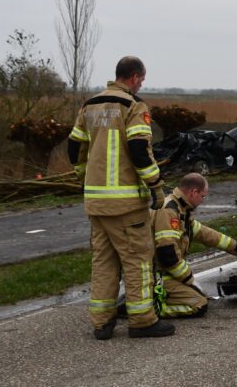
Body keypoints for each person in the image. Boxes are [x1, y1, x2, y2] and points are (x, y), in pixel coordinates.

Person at [67, 56, 174, 340]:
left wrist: (85, 178)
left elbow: (74, 147)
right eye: (142, 79)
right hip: (126, 204)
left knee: (103, 261)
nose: (141, 84)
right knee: (137, 259)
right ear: (136, 77)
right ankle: (142, 321)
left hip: (96, 202)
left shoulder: (89, 105)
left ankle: (102, 322)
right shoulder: (133, 106)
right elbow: (140, 150)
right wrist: (156, 185)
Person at [151, 173, 237, 317]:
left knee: (199, 296)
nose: (202, 201)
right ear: (193, 192)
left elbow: (208, 235)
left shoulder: (181, 210)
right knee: (199, 304)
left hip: (166, 273)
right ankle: (152, 310)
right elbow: (167, 255)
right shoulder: (170, 211)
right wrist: (190, 281)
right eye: (203, 196)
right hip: (158, 276)